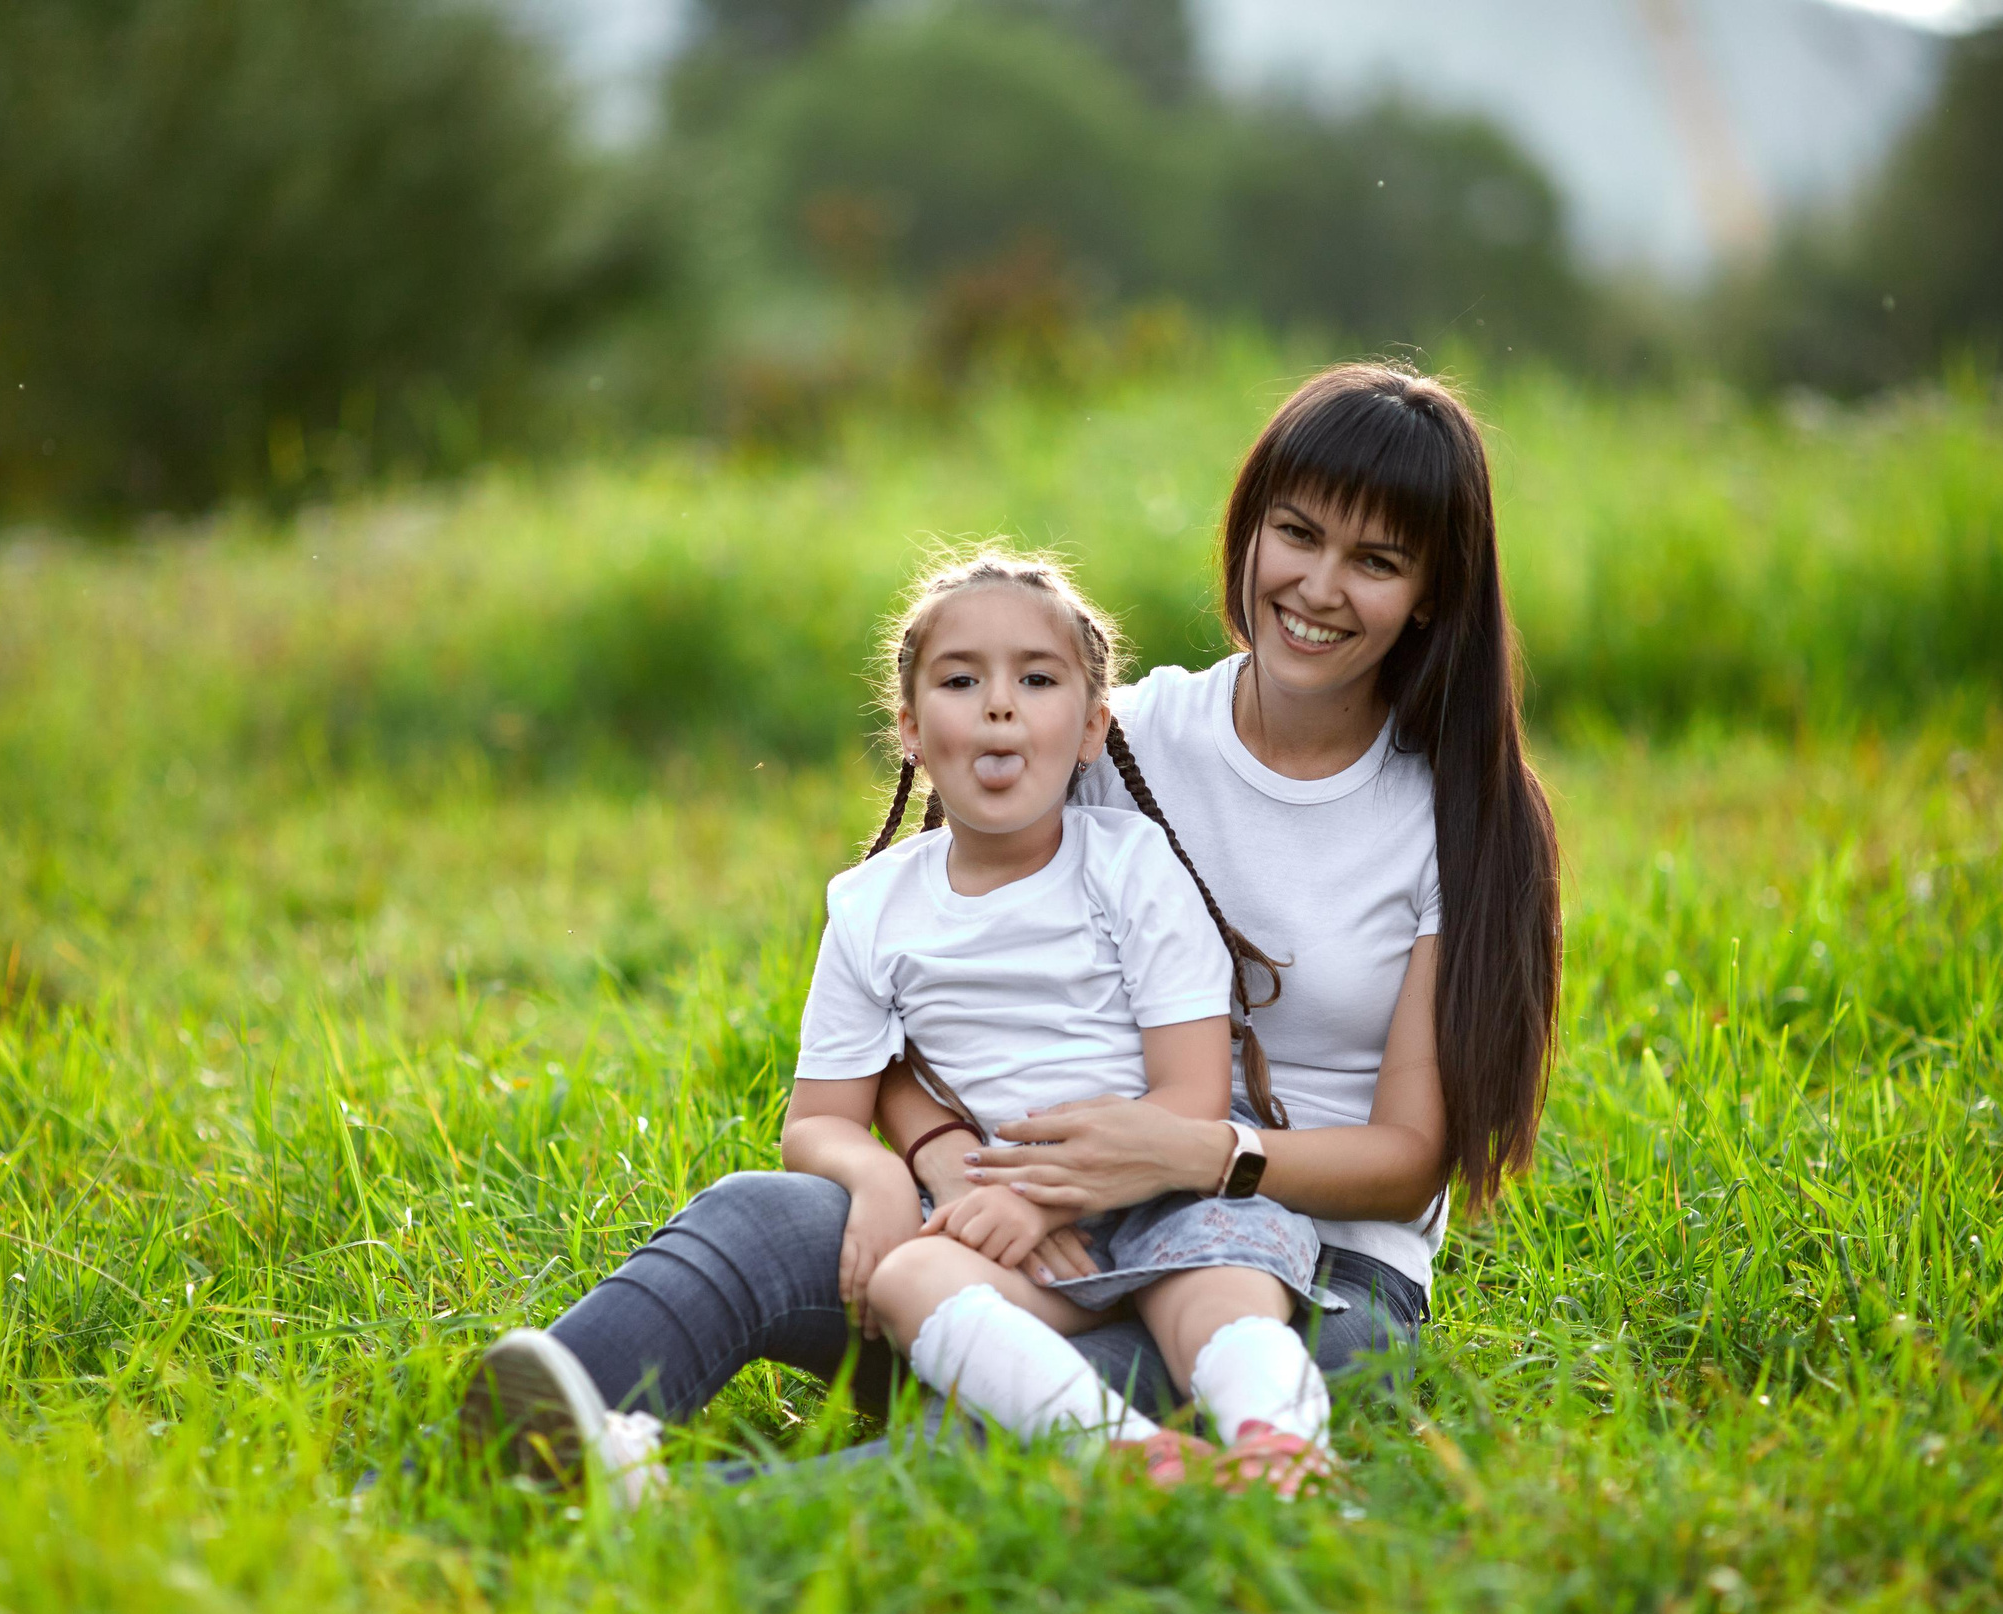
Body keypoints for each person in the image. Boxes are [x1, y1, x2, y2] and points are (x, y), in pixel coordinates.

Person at [455, 361, 1563, 1507]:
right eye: (1297, 534)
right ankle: (501, 1458)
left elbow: (1410, 1162)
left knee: (1043, 1410)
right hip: (1040, 1216)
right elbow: (912, 992)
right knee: (759, 1219)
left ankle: (673, 1515)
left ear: (1431, 592)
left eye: (1375, 562)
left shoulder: (1458, 814)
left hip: (1312, 1279)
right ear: (1249, 529)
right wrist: (941, 1170)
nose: (1318, 586)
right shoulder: (1105, 735)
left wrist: (1191, 1154)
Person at [784, 551, 1337, 1492]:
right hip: (1015, 1238)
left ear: (1090, 728)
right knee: (906, 1280)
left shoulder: (1131, 865)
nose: (1000, 705)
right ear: (912, 729)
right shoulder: (870, 905)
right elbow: (818, 1117)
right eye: (963, 680)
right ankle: (1129, 1458)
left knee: (1216, 1293)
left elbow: (1195, 1092)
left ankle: (1285, 1457)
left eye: (1036, 680)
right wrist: (873, 1171)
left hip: (1171, 1196)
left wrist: (1038, 1194)